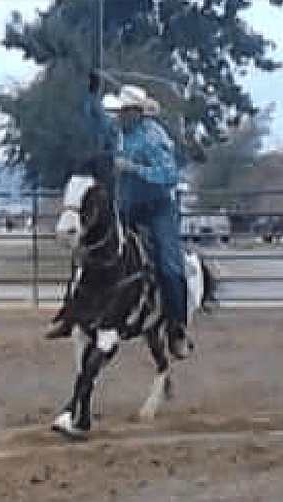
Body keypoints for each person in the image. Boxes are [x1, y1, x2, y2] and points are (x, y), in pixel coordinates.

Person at [48, 82, 191, 358]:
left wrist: (133, 168)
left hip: (158, 208)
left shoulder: (155, 137)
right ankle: (73, 312)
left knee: (170, 266)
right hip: (126, 206)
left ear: (138, 113)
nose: (119, 117)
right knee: (93, 250)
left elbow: (169, 175)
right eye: (118, 112)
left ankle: (177, 327)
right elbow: (96, 122)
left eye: (124, 112)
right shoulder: (117, 134)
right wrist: (90, 96)